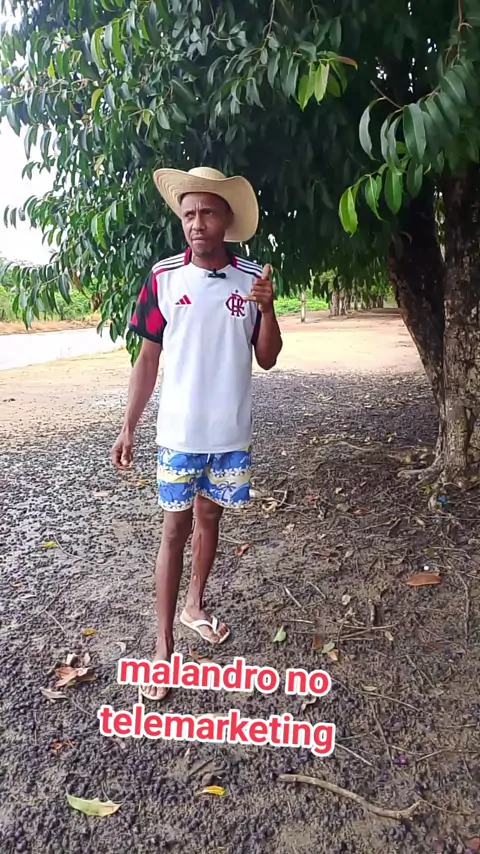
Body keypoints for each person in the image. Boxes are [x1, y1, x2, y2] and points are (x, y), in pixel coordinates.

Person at [111, 166, 283, 700]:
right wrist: (129, 425)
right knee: (174, 530)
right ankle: (163, 647)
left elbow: (268, 357)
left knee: (210, 520)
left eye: (207, 212)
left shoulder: (251, 280)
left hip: (230, 434)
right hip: (179, 435)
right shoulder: (163, 278)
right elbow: (147, 359)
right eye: (189, 214)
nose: (196, 223)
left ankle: (194, 605)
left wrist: (268, 308)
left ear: (227, 219)